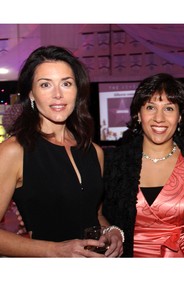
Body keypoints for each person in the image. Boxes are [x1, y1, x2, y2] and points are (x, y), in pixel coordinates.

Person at [0, 45, 123, 257]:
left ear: (77, 90)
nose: (58, 94)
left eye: (66, 83)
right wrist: (54, 250)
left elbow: (95, 215)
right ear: (31, 93)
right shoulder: (15, 150)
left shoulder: (94, 151)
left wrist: (112, 232)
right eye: (45, 84)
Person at [102, 73, 184, 257]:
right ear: (138, 115)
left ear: (180, 116)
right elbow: (98, 214)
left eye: (169, 109)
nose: (159, 118)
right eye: (150, 107)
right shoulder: (114, 164)